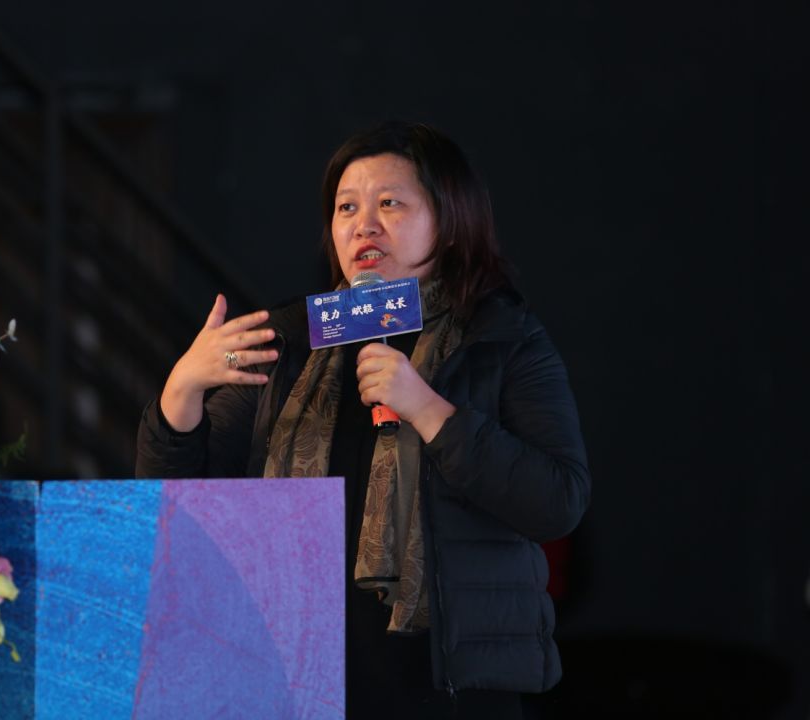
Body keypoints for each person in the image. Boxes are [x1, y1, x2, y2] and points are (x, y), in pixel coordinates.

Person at [136, 121, 590, 719]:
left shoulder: (501, 339)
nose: (364, 225)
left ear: (451, 223)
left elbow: (557, 501)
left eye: (390, 204)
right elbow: (178, 508)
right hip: (301, 688)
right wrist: (182, 390)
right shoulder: (293, 343)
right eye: (346, 207)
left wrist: (427, 408)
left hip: (450, 693)